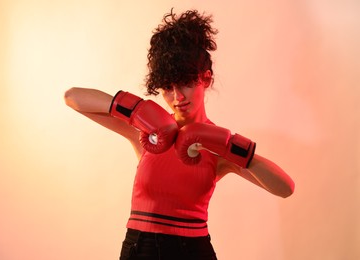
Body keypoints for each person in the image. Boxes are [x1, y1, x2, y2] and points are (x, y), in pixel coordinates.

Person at [64, 9, 294, 260]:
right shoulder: (145, 133)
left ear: (205, 79)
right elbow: (73, 97)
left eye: (185, 82)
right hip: (140, 249)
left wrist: (230, 146)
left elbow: (285, 188)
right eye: (167, 87)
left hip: (193, 250)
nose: (178, 97)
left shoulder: (218, 148)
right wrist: (137, 110)